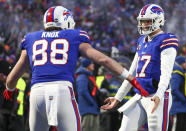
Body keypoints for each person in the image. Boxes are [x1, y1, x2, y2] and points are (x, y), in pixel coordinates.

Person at [4, 6, 148, 131]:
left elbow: (11, 79)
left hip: (36, 93)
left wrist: (9, 90)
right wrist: (130, 78)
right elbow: (103, 59)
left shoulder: (31, 38)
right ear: (66, 21)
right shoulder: (73, 36)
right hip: (61, 90)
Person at [101, 4, 179, 131]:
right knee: (125, 128)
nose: (144, 25)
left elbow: (166, 73)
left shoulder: (166, 40)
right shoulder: (141, 41)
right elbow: (131, 75)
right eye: (142, 22)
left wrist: (159, 94)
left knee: (155, 128)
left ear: (159, 21)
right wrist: (118, 97)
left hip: (157, 96)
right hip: (140, 95)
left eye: (148, 21)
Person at [169, 56, 186, 131]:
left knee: (183, 126)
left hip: (183, 106)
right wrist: (184, 99)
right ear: (180, 63)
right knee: (178, 126)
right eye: (185, 62)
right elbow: (174, 89)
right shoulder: (176, 74)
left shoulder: (182, 73)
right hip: (178, 105)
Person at [75, 58, 100, 131]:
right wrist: (92, 102)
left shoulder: (88, 76)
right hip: (87, 109)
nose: (93, 65)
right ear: (87, 65)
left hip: (93, 108)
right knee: (87, 128)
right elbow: (82, 91)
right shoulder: (82, 77)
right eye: (91, 63)